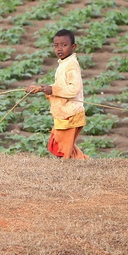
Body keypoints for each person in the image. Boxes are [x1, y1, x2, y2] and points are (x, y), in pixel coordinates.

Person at [26, 29, 89, 160]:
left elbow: (73, 89)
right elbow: (60, 86)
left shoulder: (71, 65)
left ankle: (75, 165)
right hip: (64, 113)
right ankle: (83, 163)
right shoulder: (64, 63)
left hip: (70, 114)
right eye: (56, 45)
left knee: (61, 146)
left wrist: (53, 90)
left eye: (64, 45)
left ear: (73, 47)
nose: (59, 49)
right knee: (58, 144)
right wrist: (41, 88)